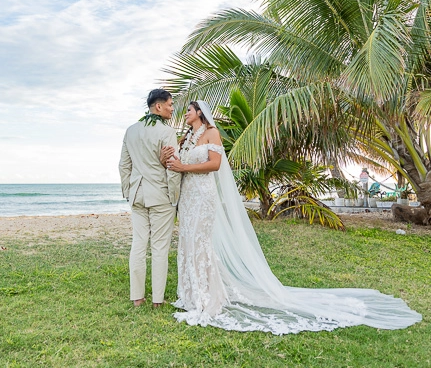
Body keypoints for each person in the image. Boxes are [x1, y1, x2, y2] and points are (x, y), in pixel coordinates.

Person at [163, 100, 422, 334]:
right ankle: (191, 293)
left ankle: (207, 296)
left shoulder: (212, 133)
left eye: (188, 110)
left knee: (201, 242)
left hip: (204, 196)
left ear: (200, 113)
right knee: (188, 242)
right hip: (188, 198)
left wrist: (185, 166)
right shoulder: (186, 138)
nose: (185, 113)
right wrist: (172, 160)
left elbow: (215, 165)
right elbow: (177, 163)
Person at [119, 89, 181, 308]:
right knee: (160, 247)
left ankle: (137, 298)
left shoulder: (131, 131)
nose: (173, 108)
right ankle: (157, 300)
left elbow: (124, 165)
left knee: (138, 245)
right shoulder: (166, 132)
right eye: (171, 104)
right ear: (159, 106)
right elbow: (172, 168)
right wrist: (175, 197)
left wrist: (128, 191)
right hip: (160, 196)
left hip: (137, 194)